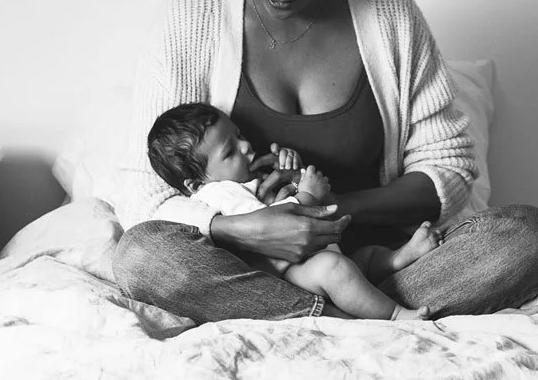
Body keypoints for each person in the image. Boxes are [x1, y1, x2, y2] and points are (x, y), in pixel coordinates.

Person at [111, 0, 538, 321]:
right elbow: (147, 199)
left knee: (528, 235)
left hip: (385, 264)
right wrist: (248, 230)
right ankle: (351, 317)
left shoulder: (390, 13)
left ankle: (341, 308)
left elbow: (447, 168)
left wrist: (323, 211)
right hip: (256, 273)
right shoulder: (190, 19)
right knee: (142, 257)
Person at [139, 100, 434, 320]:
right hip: (292, 275)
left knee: (363, 258)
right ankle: (395, 317)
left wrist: (289, 174)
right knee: (338, 270)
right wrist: (306, 193)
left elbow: (274, 203)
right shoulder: (219, 193)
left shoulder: (241, 181)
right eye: (230, 151)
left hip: (314, 258)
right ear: (195, 183)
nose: (245, 146)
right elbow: (277, 225)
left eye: (239, 134)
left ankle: (397, 259)